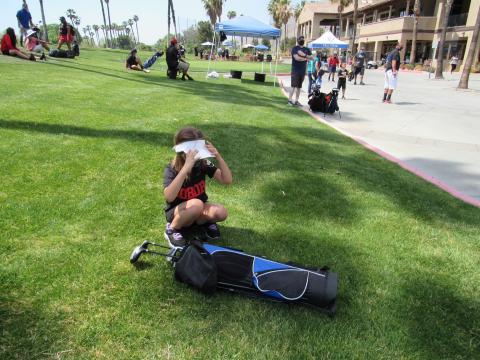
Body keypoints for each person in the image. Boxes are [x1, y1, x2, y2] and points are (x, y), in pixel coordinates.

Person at [163, 127, 233, 247]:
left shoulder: (203, 164)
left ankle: (203, 223)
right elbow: (169, 197)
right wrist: (186, 168)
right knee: (197, 204)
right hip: (177, 212)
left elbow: (227, 180)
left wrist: (218, 157)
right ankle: (172, 229)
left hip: (197, 208)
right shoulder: (172, 168)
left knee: (221, 212)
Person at [288, 35, 312, 106]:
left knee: (299, 87)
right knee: (293, 86)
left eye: (303, 39)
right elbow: (296, 58)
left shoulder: (306, 49)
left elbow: (312, 57)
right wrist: (306, 58)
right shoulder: (295, 48)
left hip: (302, 71)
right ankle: (289, 100)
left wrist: (304, 55)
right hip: (295, 70)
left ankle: (296, 101)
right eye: (300, 39)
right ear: (298, 40)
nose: (302, 40)